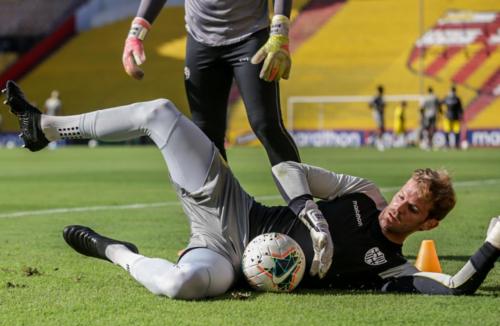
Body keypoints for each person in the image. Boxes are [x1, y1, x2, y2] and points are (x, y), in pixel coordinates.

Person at [3, 81, 499, 299]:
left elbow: (455, 287)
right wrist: (312, 216)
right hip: (234, 207)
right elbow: (289, 169)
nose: (396, 209)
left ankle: (114, 251)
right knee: (158, 112)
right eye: (401, 197)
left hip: (229, 261)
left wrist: (493, 245)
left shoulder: (394, 269)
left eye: (411, 209)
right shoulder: (364, 194)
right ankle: (42, 126)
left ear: (427, 224)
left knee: (182, 286)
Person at [122, 0, 300, 166]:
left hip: (250, 36)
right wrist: (135, 34)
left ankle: (300, 197)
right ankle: (223, 200)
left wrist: (280, 33)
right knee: (206, 135)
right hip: (200, 41)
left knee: (265, 124)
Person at [369, 85, 386, 150]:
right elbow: (370, 105)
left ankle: (372, 139)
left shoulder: (381, 98)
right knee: (380, 128)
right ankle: (379, 143)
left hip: (381, 114)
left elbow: (384, 106)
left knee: (382, 129)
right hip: (377, 114)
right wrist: (376, 107)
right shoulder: (375, 97)